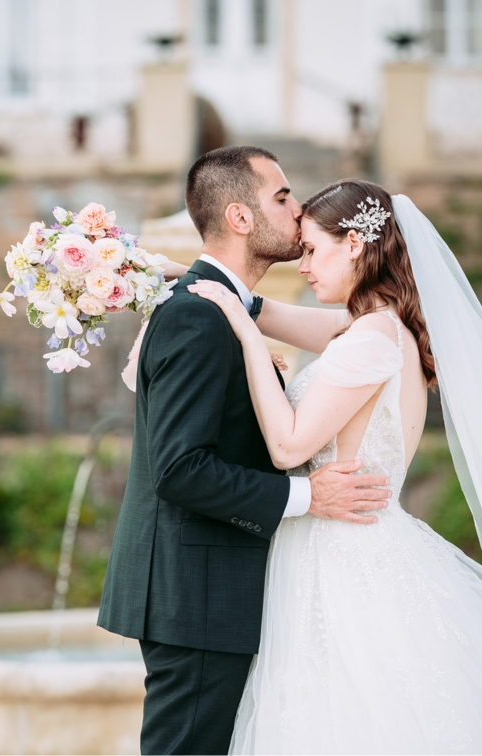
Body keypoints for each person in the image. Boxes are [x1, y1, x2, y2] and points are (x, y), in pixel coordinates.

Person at [97, 148, 391, 756]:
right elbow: (179, 469)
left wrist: (246, 309)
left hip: (211, 586)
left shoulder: (217, 309)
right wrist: (311, 495)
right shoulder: (197, 319)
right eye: (282, 198)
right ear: (238, 216)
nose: (298, 209)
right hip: (195, 592)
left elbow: (359, 328)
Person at [188, 178, 482, 755]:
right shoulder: (378, 326)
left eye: (312, 251)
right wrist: (190, 278)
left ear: (354, 245)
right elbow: (278, 313)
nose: (302, 266)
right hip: (352, 542)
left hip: (343, 554)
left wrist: (245, 335)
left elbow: (288, 449)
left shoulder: (370, 339)